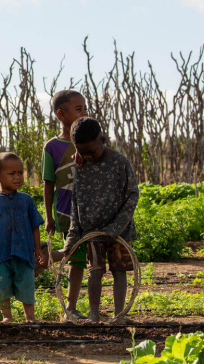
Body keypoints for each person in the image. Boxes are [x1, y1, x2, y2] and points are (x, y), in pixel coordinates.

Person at [52, 117, 139, 324]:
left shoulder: (119, 162)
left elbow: (132, 195)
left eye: (92, 151)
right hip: (91, 232)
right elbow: (76, 203)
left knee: (119, 271)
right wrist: (72, 239)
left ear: (103, 139)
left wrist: (116, 227)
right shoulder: (80, 165)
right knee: (95, 272)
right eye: (83, 153)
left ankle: (119, 315)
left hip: (120, 232)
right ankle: (94, 314)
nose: (89, 156)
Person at [0, 152, 46, 323]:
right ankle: (7, 317)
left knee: (27, 284)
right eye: (12, 174)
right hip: (0, 253)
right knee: (1, 285)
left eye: (20, 173)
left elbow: (35, 226)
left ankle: (30, 317)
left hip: (24, 253)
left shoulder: (26, 200)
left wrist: (37, 249)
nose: (18, 177)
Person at [41, 89, 89, 322]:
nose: (84, 112)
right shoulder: (53, 147)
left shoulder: (92, 141)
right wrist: (49, 217)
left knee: (85, 259)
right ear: (61, 114)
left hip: (91, 210)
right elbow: (48, 184)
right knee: (75, 257)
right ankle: (70, 307)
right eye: (78, 109)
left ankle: (77, 307)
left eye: (84, 108)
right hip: (66, 211)